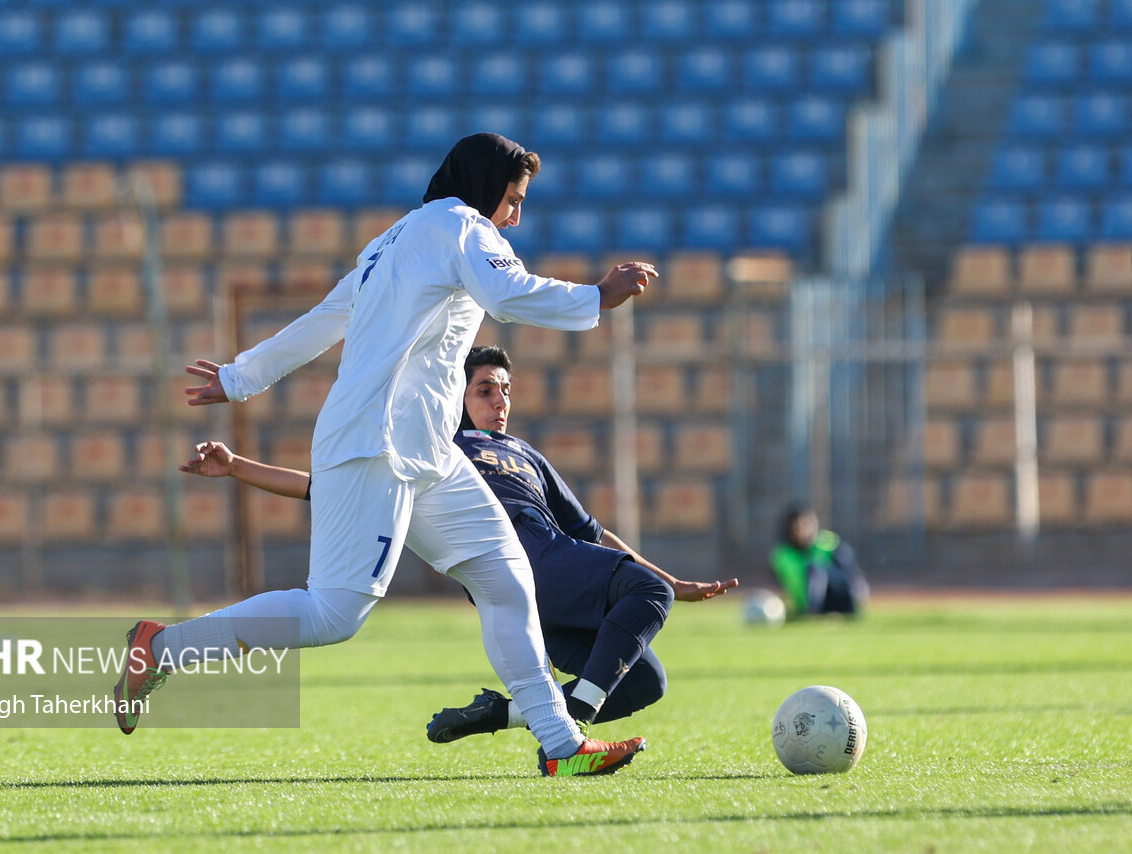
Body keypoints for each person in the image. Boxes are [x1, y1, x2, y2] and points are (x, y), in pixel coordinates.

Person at [113, 132, 658, 778]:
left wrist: (240, 376)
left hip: (425, 449)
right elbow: (508, 297)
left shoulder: (393, 241)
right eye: (512, 199)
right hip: (376, 442)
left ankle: (560, 745)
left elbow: (324, 317)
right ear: (484, 187)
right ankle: (163, 647)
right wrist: (598, 295)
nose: (515, 216)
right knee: (334, 613)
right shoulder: (461, 227)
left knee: (508, 579)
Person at [178, 345, 740, 744]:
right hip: (519, 565)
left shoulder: (525, 454)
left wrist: (670, 580)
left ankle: (505, 715)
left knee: (646, 680)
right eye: (485, 389)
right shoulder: (435, 453)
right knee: (641, 591)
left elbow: (591, 533)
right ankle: (565, 741)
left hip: (554, 573)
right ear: (455, 395)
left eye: (506, 390)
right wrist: (237, 468)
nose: (500, 400)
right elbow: (320, 487)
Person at [769, 504, 869, 618]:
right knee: (813, 570)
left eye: (806, 524)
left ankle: (814, 613)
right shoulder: (782, 555)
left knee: (815, 569)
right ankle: (811, 611)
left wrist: (858, 596)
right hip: (806, 604)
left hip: (839, 599)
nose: (802, 529)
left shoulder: (828, 543)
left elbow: (852, 573)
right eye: (797, 525)